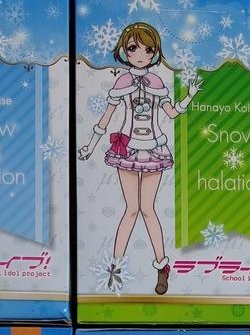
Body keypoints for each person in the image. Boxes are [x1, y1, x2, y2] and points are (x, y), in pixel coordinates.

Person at [78, 21, 202, 295]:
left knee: (148, 209)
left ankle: (162, 267)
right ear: (124, 50)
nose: (140, 54)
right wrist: (89, 146)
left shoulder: (156, 82)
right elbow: (106, 118)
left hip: (154, 148)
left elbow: (171, 113)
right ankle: (115, 268)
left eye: (148, 50)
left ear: (155, 52)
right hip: (127, 148)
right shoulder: (122, 82)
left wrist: (190, 96)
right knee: (131, 209)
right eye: (133, 48)